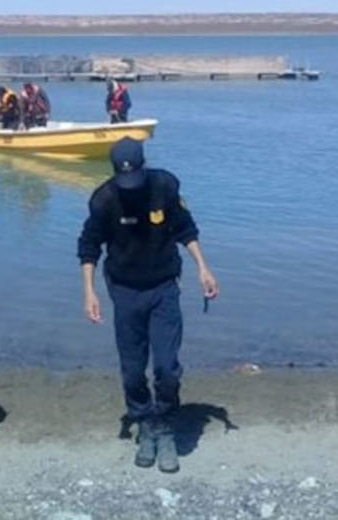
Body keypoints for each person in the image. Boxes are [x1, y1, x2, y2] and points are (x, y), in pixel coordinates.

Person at [77, 137, 219, 474]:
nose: (130, 186)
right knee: (132, 368)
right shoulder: (104, 199)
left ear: (143, 166)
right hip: (124, 290)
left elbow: (186, 228)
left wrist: (203, 267)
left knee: (167, 366)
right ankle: (145, 424)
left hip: (164, 286)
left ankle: (166, 424)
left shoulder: (164, 186)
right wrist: (89, 291)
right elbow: (88, 247)